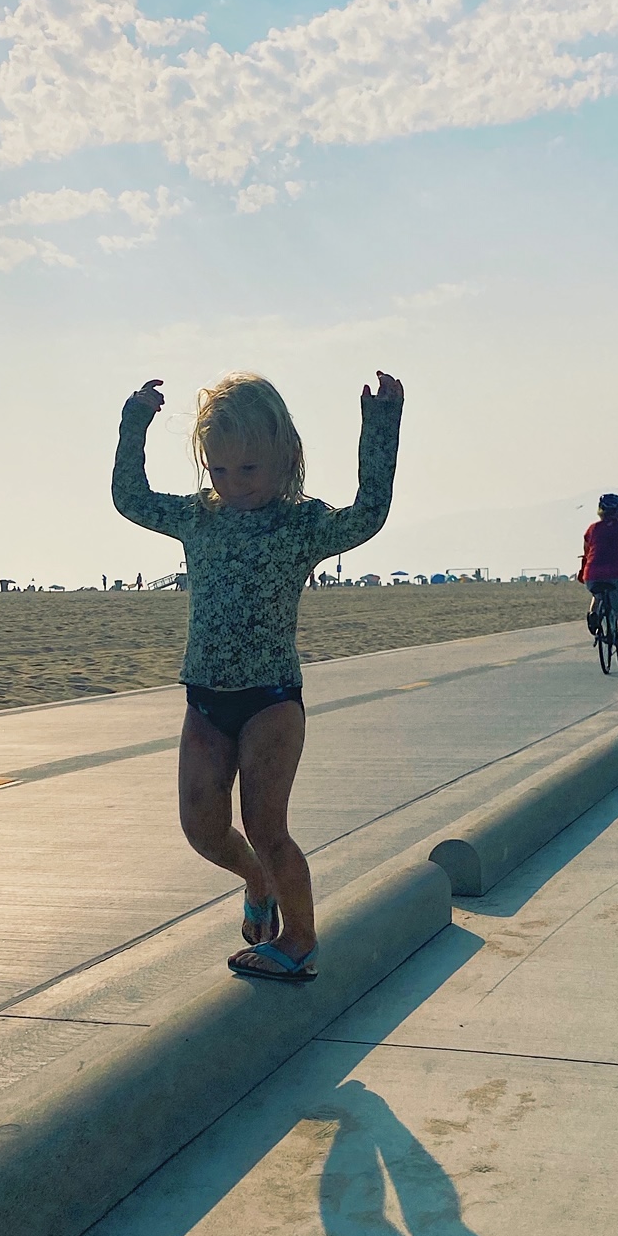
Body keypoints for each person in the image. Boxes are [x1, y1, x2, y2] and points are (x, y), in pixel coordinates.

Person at [112, 369, 403, 981]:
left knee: (266, 826)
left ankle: (299, 941)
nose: (232, 484)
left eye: (248, 470)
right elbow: (130, 499)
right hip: (205, 699)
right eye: (218, 471)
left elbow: (368, 515)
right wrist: (134, 420)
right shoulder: (199, 517)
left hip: (271, 699)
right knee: (202, 827)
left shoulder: (302, 525)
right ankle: (255, 882)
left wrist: (381, 427)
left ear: (284, 458)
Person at [579, 494, 618, 662]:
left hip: (592, 574)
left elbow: (586, 551)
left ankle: (593, 614)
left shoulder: (592, 529)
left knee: (597, 594)